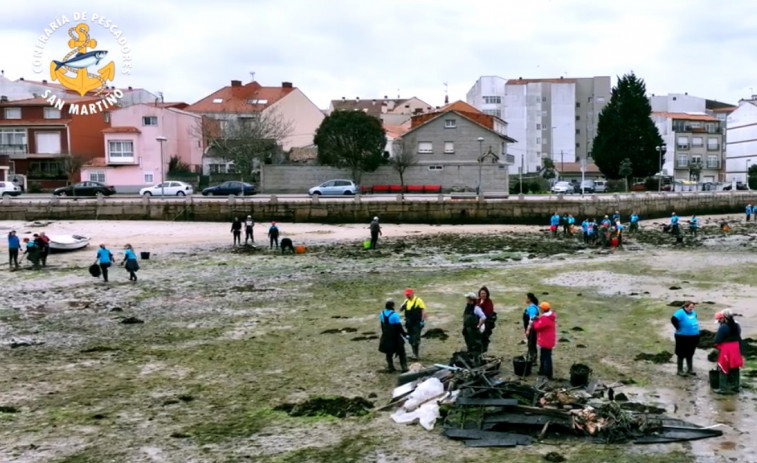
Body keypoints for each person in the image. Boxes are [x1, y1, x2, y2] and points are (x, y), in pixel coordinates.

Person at [713, 310, 743, 394]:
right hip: (736, 347)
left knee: (723, 368)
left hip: (726, 348)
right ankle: (735, 387)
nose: (719, 322)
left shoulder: (723, 327)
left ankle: (723, 388)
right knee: (735, 367)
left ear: (723, 318)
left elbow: (717, 340)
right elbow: (738, 335)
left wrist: (716, 342)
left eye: (719, 320)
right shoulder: (737, 325)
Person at [670, 301, 700, 377]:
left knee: (690, 353)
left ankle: (690, 369)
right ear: (686, 307)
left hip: (693, 336)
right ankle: (679, 370)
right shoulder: (680, 312)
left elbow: (695, 319)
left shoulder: (693, 312)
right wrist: (678, 328)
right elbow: (673, 319)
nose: (692, 309)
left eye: (693, 307)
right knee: (681, 353)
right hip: (682, 337)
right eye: (690, 307)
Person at [378, 299, 408, 372]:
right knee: (401, 351)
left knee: (389, 352)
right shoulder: (395, 315)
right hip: (395, 336)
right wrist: (405, 335)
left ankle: (390, 366)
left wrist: (384, 333)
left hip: (386, 335)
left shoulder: (381, 314)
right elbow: (399, 327)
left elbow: (382, 325)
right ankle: (404, 367)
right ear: (392, 306)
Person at [531, 301, 556, 380]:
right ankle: (542, 370)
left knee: (546, 358)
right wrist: (538, 319)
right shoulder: (550, 317)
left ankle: (548, 373)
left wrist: (535, 321)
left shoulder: (545, 318)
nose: (540, 309)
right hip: (549, 340)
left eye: (540, 308)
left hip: (545, 341)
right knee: (544, 356)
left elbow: (537, 327)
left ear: (543, 309)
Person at [400, 288, 426, 359]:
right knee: (410, 339)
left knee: (416, 338)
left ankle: (416, 354)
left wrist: (422, 321)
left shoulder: (418, 300)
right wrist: (402, 307)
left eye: (408, 294)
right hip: (409, 323)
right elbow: (400, 309)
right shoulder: (406, 301)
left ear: (412, 293)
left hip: (417, 323)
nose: (407, 296)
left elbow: (423, 311)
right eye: (406, 295)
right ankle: (414, 353)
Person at [462, 292, 487, 357]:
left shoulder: (476, 308)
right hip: (467, 329)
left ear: (471, 299)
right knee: (469, 343)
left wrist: (479, 325)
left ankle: (477, 357)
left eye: (467, 298)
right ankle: (471, 356)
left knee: (476, 344)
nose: (466, 299)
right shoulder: (467, 307)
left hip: (473, 330)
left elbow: (483, 317)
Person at [523, 293, 540, 365]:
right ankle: (532, 358)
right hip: (531, 328)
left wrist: (528, 330)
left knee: (531, 343)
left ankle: (533, 360)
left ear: (529, 299)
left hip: (532, 329)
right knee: (531, 343)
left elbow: (531, 320)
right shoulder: (531, 307)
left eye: (526, 298)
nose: (525, 299)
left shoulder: (532, 308)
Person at [477, 286, 496, 353]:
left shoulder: (489, 302)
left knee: (484, 337)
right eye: (481, 293)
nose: (483, 295)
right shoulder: (477, 301)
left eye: (484, 293)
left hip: (486, 321)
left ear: (487, 294)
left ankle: (484, 350)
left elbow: (488, 312)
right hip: (477, 321)